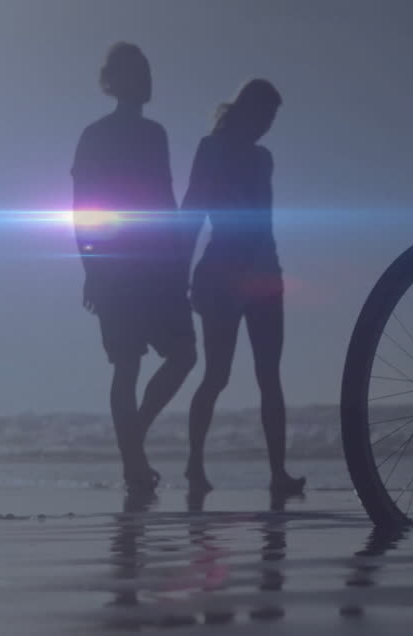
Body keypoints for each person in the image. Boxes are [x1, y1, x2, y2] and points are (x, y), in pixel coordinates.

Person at [71, 42, 197, 501]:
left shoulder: (155, 134)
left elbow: (165, 201)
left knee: (183, 354)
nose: (145, 81)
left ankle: (134, 435)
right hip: (117, 265)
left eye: (147, 72)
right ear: (115, 81)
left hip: (160, 262)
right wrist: (91, 267)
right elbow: (82, 208)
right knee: (127, 364)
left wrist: (178, 258)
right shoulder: (95, 135)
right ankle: (133, 463)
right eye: (135, 73)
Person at [180, 79, 305, 506]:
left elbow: (263, 221)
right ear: (247, 110)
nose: (267, 127)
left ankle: (278, 473)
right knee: (218, 374)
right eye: (264, 116)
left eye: (273, 120)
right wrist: (181, 274)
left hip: (266, 275)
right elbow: (192, 211)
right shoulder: (211, 148)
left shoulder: (263, 158)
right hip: (220, 274)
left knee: (270, 376)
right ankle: (194, 461)